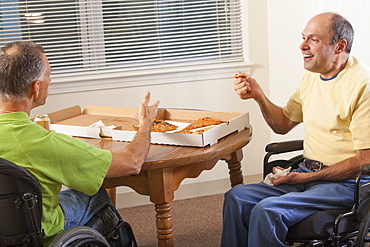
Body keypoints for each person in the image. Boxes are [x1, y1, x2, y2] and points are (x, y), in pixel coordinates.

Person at [221, 12, 370, 247]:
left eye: (314, 39)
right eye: (303, 38)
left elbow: (364, 160)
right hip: (307, 172)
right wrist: (259, 96)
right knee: (236, 197)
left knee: (266, 211)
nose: (302, 45)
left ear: (339, 46)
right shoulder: (312, 77)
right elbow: (282, 124)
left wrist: (308, 176)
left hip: (346, 184)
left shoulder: (363, 86)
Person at [0, 40, 160, 245]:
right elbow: (132, 162)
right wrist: (146, 124)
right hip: (41, 234)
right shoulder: (42, 142)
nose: (51, 80)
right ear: (36, 87)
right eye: (49, 75)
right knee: (95, 194)